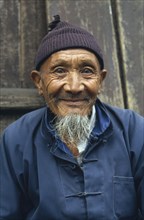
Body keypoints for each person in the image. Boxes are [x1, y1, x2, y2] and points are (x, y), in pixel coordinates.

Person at [0, 15, 144, 220]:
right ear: (39, 82)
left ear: (101, 80)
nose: (74, 87)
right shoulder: (16, 139)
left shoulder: (134, 131)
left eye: (87, 71)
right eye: (59, 71)